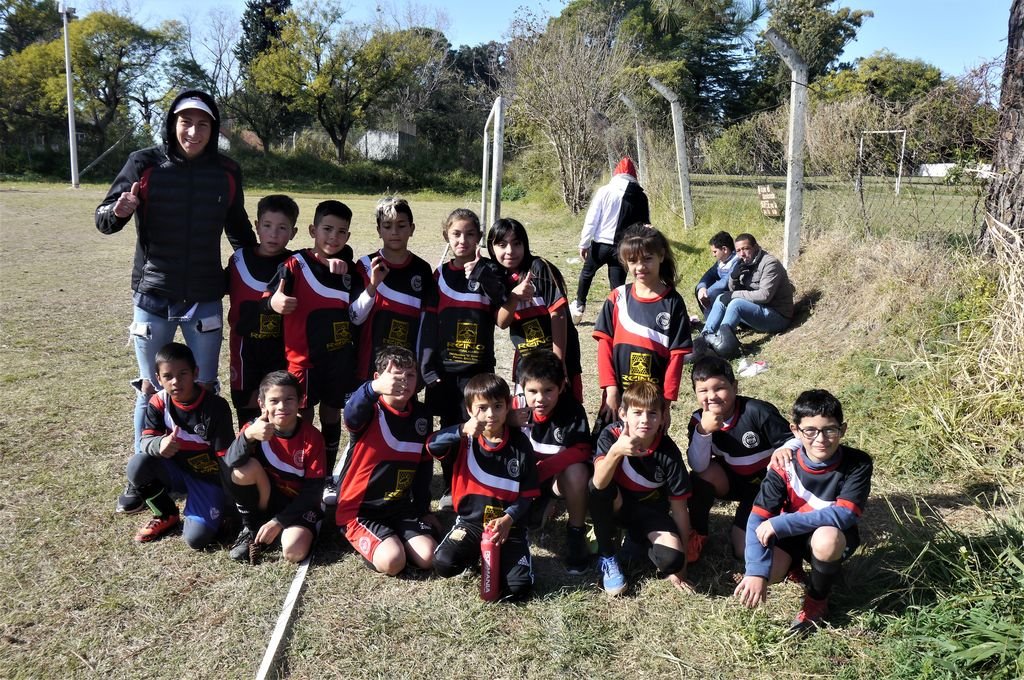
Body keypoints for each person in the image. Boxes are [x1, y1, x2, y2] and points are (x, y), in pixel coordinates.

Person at [95, 89, 256, 514]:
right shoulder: (143, 163)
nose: (193, 131)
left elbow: (238, 229)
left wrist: (265, 270)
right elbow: (104, 218)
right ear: (172, 124)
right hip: (153, 295)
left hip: (204, 296)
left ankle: (206, 469)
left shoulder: (226, 170)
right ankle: (142, 474)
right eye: (186, 122)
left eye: (203, 124)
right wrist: (121, 210)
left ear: (213, 129)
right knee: (151, 389)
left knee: (203, 386)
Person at [734, 389, 873, 634]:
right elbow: (758, 517)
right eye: (810, 430)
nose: (820, 439)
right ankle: (793, 567)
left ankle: (817, 600)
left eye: (829, 429)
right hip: (792, 537)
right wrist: (755, 570)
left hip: (830, 534)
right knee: (769, 570)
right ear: (795, 431)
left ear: (843, 429)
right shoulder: (782, 464)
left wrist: (782, 523)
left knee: (827, 540)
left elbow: (845, 514)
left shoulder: (858, 463)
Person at [266, 200, 360, 505]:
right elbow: (266, 298)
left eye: (341, 232)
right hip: (302, 362)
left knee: (332, 414)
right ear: (312, 230)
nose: (333, 237)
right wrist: (273, 303)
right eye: (327, 229)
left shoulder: (348, 268)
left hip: (338, 359)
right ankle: (301, 472)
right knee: (302, 417)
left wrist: (344, 256)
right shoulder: (293, 265)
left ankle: (328, 475)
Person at [420, 208, 506, 510]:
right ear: (447, 235)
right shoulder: (440, 275)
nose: (463, 240)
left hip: (477, 371)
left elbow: (502, 309)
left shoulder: (489, 271)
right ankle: (448, 485)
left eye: (470, 234)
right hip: (445, 372)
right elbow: (428, 324)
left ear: (479, 237)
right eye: (456, 234)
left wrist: (485, 277)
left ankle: (476, 481)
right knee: (450, 427)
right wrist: (427, 367)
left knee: (480, 425)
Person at [427, 373, 540, 602]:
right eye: (482, 408)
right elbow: (431, 445)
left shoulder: (520, 443)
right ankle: (475, 553)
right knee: (443, 563)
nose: (490, 414)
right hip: (471, 523)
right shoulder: (463, 440)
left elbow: (527, 496)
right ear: (469, 410)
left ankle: (505, 556)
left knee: (517, 589)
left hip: (509, 526)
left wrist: (509, 520)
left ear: (508, 406)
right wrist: (460, 430)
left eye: (498, 406)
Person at [335, 347, 437, 576]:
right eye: (396, 376)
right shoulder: (370, 411)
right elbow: (350, 413)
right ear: (378, 378)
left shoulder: (421, 415)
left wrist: (422, 509)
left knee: (429, 556)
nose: (404, 382)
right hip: (360, 509)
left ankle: (391, 537)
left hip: (398, 507)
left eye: (410, 375)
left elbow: (423, 465)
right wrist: (372, 390)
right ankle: (374, 542)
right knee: (393, 561)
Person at [589, 381, 694, 596]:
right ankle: (608, 555)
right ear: (623, 413)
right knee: (597, 488)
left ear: (663, 417)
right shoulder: (611, 436)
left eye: (653, 414)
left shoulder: (668, 452)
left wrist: (682, 567)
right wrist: (616, 452)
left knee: (671, 560)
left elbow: (680, 509)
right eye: (637, 413)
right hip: (618, 507)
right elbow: (598, 483)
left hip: (651, 513)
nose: (645, 420)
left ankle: (638, 540)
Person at [126, 342, 235, 549]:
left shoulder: (215, 407)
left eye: (183, 373)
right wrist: (160, 443)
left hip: (208, 478)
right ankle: (166, 513)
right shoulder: (158, 402)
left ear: (195, 373)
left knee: (197, 539)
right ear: (158, 379)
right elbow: (145, 440)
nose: (176, 381)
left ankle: (210, 509)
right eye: (168, 376)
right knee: (138, 464)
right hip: (176, 470)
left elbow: (226, 460)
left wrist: (230, 507)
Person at [685, 356, 793, 563]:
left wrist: (784, 450)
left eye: (719, 388)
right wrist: (703, 432)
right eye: (703, 391)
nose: (712, 396)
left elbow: (794, 442)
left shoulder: (757, 411)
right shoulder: (699, 420)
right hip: (736, 482)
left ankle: (783, 524)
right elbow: (698, 465)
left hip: (768, 486)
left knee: (742, 552)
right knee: (701, 475)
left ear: (735, 386)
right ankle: (697, 533)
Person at [593, 224, 692, 429]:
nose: (640, 267)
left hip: (651, 403)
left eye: (647, 258)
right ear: (624, 262)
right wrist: (611, 390)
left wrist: (665, 403)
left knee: (646, 455)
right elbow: (604, 347)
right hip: (618, 395)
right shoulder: (617, 298)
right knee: (606, 452)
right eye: (633, 261)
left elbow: (676, 357)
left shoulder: (673, 302)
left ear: (661, 256)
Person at [222, 371, 325, 564]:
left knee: (294, 552)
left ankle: (294, 529)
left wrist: (279, 522)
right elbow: (229, 463)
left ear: (301, 401)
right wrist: (248, 436)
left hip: (298, 505)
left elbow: (313, 491)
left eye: (289, 399)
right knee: (242, 470)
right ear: (262, 404)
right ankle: (252, 528)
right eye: (274, 401)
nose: (282, 407)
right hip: (268, 499)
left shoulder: (312, 437)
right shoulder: (255, 427)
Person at [487, 217, 584, 400]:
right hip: (528, 360)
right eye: (502, 244)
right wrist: (514, 297)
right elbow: (501, 322)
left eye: (516, 243)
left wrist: (558, 362)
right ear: (491, 248)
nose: (510, 251)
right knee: (528, 415)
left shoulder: (539, 268)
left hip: (561, 355)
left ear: (525, 244)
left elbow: (559, 314)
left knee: (566, 406)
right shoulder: (495, 277)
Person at [515, 350, 592, 573]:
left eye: (548, 390)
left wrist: (541, 472)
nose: (540, 399)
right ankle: (521, 522)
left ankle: (576, 533)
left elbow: (581, 449)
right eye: (533, 391)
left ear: (561, 386)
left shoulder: (572, 409)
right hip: (524, 481)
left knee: (577, 471)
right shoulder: (512, 408)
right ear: (522, 387)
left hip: (551, 478)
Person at [226, 194, 299, 429]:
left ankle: (277, 462)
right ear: (257, 226)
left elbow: (331, 255)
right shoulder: (239, 259)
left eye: (282, 228)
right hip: (244, 351)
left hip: (280, 352)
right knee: (247, 413)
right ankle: (247, 460)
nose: (274, 234)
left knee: (279, 411)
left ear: (293, 233)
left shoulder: (296, 264)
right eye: (267, 226)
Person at [351, 197, 437, 385]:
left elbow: (426, 323)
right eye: (387, 226)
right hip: (370, 365)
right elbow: (355, 317)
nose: (395, 232)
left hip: (406, 366)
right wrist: (372, 286)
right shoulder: (365, 265)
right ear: (378, 230)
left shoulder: (422, 269)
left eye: (401, 225)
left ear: (412, 229)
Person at [570, 157, 650, 324]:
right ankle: (617, 318)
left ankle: (579, 308)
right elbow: (645, 226)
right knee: (617, 286)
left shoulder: (605, 191)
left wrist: (584, 243)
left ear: (616, 173)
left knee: (587, 274)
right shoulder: (641, 196)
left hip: (600, 245)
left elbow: (592, 218)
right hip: (623, 248)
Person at [701, 233, 795, 358]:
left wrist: (734, 294)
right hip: (759, 310)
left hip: (778, 316)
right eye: (738, 250)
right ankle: (704, 338)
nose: (742, 254)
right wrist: (733, 278)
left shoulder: (770, 264)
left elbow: (764, 296)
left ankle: (723, 342)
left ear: (755, 247)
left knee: (736, 304)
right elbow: (734, 290)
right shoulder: (744, 262)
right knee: (721, 298)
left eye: (746, 249)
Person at [693, 231, 738, 318]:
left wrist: (707, 292)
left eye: (715, 252)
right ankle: (709, 319)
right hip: (724, 290)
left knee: (714, 293)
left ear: (724, 249)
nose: (713, 255)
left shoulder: (737, 261)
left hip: (735, 292)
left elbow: (726, 281)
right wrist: (702, 287)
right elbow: (709, 275)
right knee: (699, 289)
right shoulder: (721, 262)